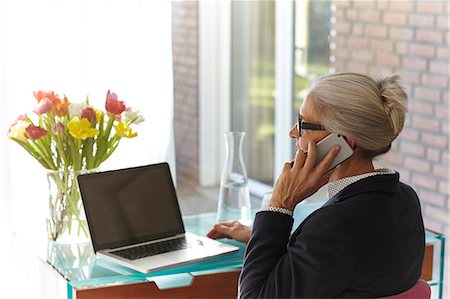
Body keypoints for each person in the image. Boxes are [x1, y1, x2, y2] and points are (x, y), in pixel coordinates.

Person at [207, 73, 425, 298]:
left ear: (343, 142)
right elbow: (339, 259)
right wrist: (266, 237)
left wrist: (280, 205)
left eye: (303, 124)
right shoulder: (406, 198)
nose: (293, 133)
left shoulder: (335, 227)